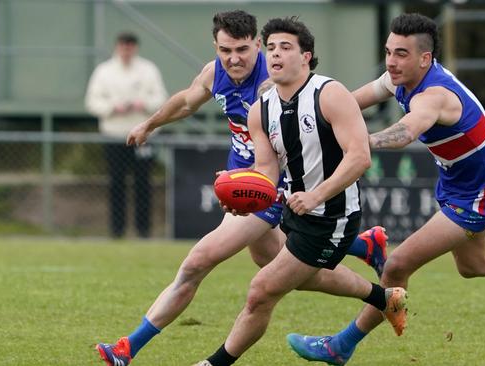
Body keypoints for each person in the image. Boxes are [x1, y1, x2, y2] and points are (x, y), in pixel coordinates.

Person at [287, 13, 485, 365]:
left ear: (424, 58)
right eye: (388, 51)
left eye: (401, 53)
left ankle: (342, 345)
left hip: (479, 193)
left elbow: (406, 132)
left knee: (398, 265)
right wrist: (298, 110)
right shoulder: (398, 79)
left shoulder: (434, 96)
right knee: (476, 265)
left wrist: (362, 143)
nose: (391, 61)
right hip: (460, 182)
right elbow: (345, 103)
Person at [95, 11, 388, 366]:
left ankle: (128, 347)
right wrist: (149, 124)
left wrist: (253, 183)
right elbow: (187, 101)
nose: (233, 58)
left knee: (198, 261)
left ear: (257, 46)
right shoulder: (214, 72)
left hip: (269, 187)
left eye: (242, 50)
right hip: (248, 178)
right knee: (288, 271)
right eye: (225, 50)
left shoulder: (273, 83)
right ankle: (372, 272)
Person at [193, 17, 408, 366]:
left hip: (333, 216)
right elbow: (265, 169)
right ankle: (385, 298)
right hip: (296, 211)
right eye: (272, 47)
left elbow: (359, 157)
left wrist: (317, 195)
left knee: (261, 292)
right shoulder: (261, 110)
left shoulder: (330, 94)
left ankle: (213, 363)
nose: (276, 53)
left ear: (306, 56)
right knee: (308, 276)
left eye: (286, 47)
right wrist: (241, 190)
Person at [85, 32, 168, 238]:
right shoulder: (104, 71)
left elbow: (161, 98)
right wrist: (113, 107)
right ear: (117, 47)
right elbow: (92, 102)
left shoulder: (148, 69)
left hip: (142, 136)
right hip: (115, 136)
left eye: (130, 46)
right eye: (123, 45)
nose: (126, 50)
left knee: (143, 183)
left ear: (135, 48)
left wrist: (144, 104)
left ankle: (143, 231)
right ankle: (117, 231)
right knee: (116, 183)